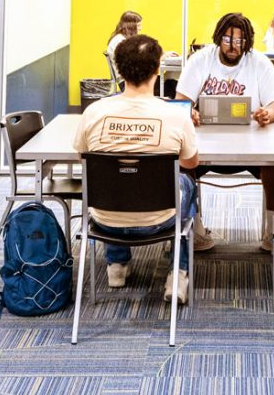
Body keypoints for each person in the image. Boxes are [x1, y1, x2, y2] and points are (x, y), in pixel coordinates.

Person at [70, 33, 198, 303]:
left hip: (103, 220)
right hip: (159, 221)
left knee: (115, 180)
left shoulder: (94, 112)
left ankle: (116, 266)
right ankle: (178, 274)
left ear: (119, 68)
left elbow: (83, 156)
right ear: (156, 70)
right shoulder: (176, 115)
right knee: (187, 183)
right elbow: (190, 163)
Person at [176, 12, 274, 250]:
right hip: (204, 144)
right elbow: (181, 101)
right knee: (182, 161)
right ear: (218, 38)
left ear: (247, 41)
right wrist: (189, 111)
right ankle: (194, 231)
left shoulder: (259, 62)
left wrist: (268, 113)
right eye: (227, 40)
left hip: (253, 144)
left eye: (239, 41)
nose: (233, 46)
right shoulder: (200, 60)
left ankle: (273, 234)